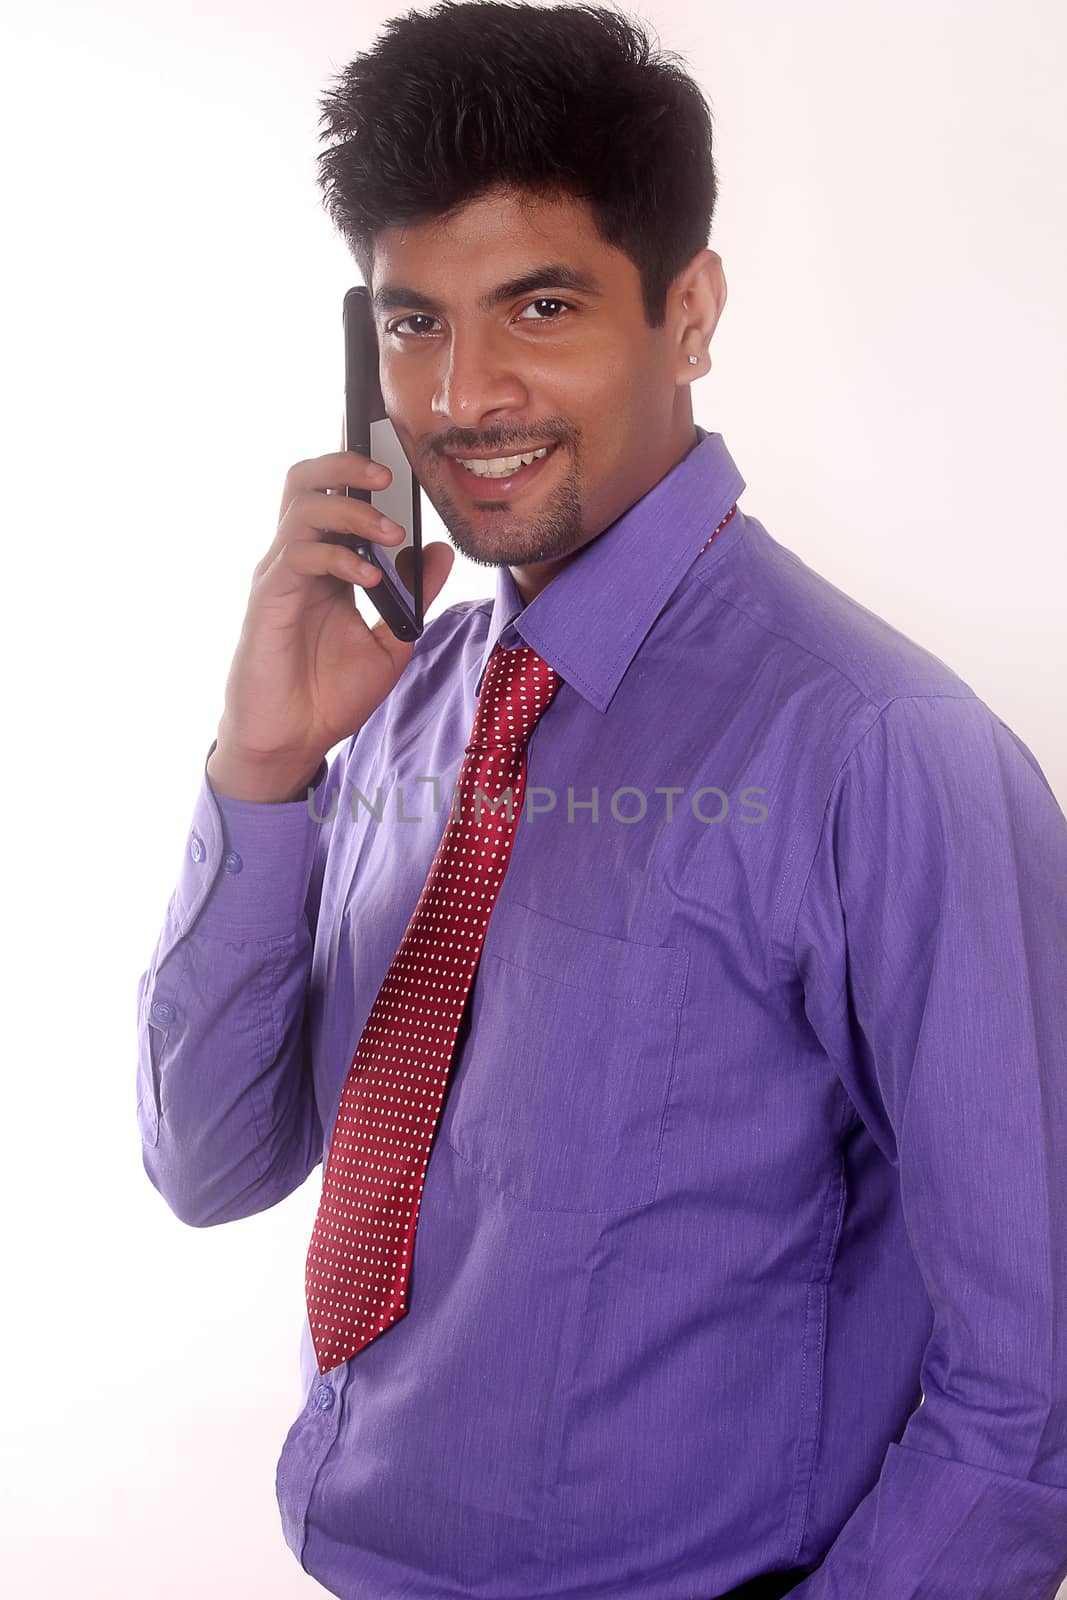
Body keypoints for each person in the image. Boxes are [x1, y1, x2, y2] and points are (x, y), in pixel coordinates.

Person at [134, 3, 1067, 1597]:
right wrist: (264, 768)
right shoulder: (412, 693)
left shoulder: (880, 748)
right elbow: (212, 1165)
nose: (462, 393)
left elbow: (1030, 1397)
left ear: (690, 312)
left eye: (540, 304)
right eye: (413, 321)